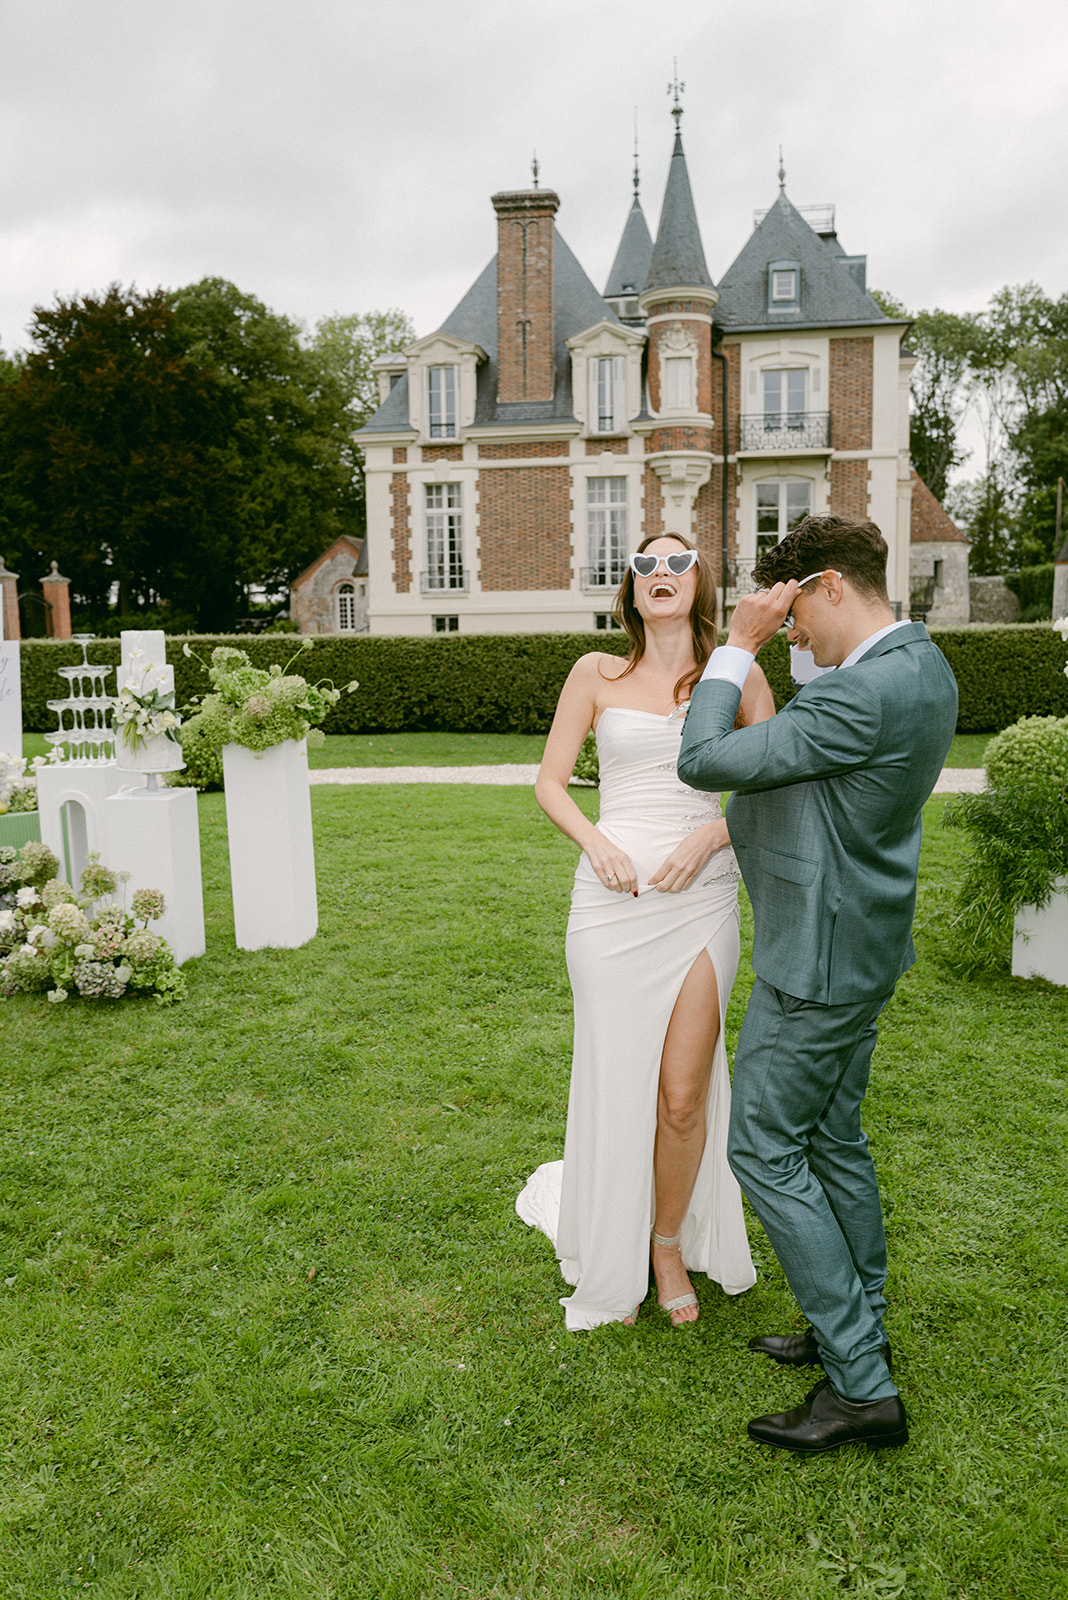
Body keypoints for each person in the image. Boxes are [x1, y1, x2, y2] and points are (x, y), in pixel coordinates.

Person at [677, 514, 958, 1453]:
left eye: (794, 610)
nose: (789, 630)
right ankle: (855, 1318)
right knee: (832, 1136)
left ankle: (861, 1384)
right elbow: (812, 740)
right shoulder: (918, 664)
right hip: (863, 941)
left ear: (831, 584)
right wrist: (794, 638)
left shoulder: (861, 694)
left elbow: (703, 758)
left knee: (763, 1148)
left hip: (818, 959)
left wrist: (737, 645)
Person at [517, 533, 774, 1330]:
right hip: (611, 903)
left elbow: (775, 784)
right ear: (630, 590)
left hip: (702, 900)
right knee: (615, 1079)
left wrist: (715, 835)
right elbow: (550, 783)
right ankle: (610, 1248)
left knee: (683, 1094)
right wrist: (596, 843)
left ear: (701, 584)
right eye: (645, 565)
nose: (661, 574)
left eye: (678, 563)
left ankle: (667, 1246)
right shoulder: (594, 673)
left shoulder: (738, 674)